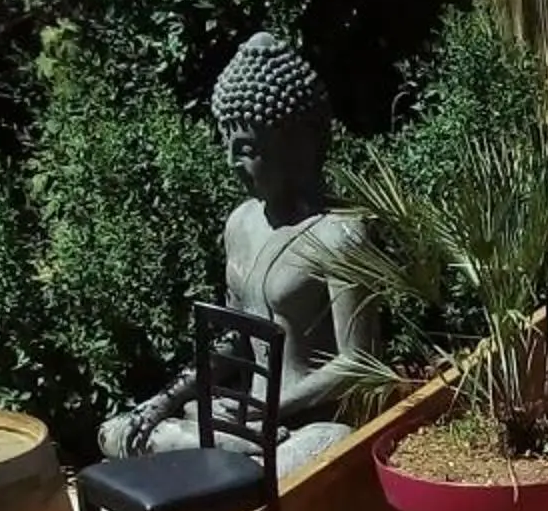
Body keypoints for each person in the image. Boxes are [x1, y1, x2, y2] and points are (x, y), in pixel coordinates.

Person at [99, 31, 376, 473]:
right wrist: (165, 400)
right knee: (117, 432)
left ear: (293, 146)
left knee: (302, 458)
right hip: (246, 416)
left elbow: (360, 362)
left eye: (246, 148)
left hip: (311, 423)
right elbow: (235, 340)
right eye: (226, 144)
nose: (231, 161)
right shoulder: (240, 223)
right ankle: (228, 451)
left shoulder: (340, 234)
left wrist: (269, 410)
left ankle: (233, 458)